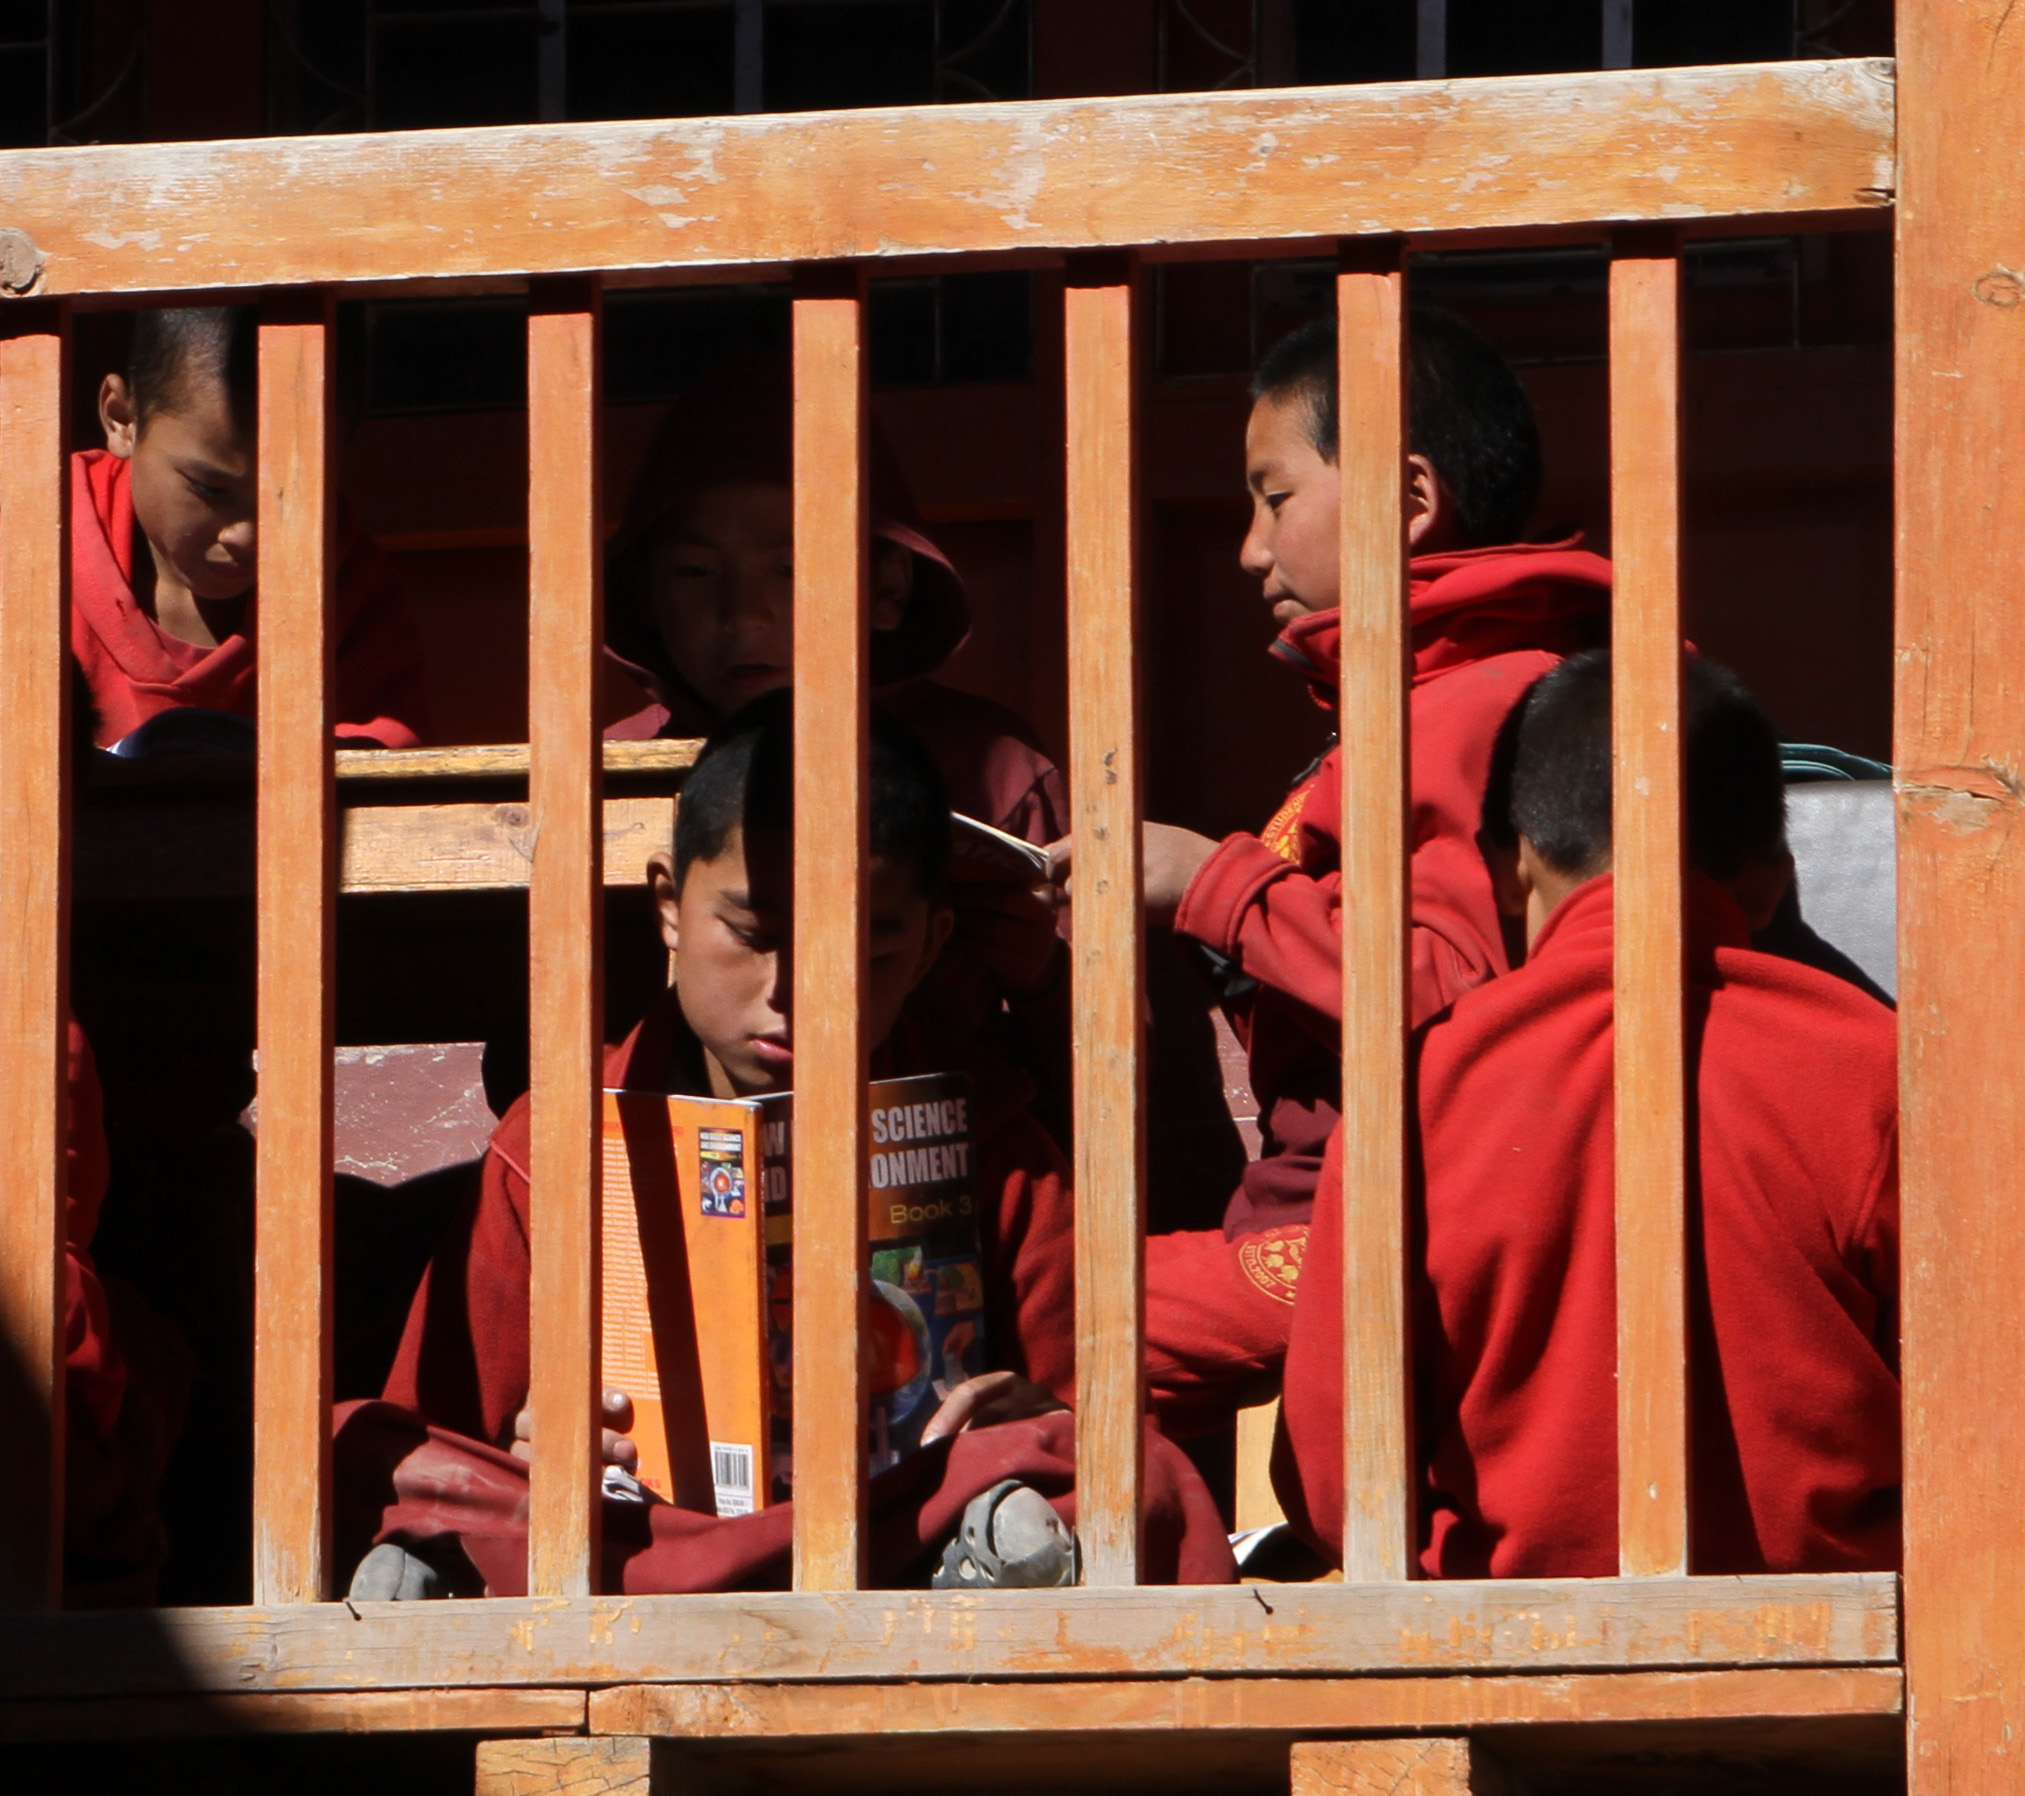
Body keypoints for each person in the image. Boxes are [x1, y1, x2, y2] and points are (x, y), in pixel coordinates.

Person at [338, 695, 1233, 1593]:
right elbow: (439, 1427)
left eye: (863, 950)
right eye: (754, 936)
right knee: (370, 1454)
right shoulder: (560, 1140)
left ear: (929, 947)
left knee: (1130, 1471)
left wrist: (1031, 1426)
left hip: (904, 1531)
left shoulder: (995, 1136)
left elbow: (1088, 1419)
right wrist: (534, 1442)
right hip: (632, 1536)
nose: (792, 992)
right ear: (669, 908)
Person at [1050, 310, 1613, 1430]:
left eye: (1275, 497)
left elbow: (1442, 984)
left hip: (1407, 1218)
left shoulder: (1470, 703)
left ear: (1410, 502)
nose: (1251, 549)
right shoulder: (1424, 696)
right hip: (1352, 1204)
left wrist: (1213, 881)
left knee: (1052, 1325)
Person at [1278, 651, 1901, 1576]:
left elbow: (1336, 1490)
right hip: (1852, 1675)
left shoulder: (1421, 1090)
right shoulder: (1878, 1068)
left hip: (1516, 1675)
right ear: (1770, 882)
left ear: (1511, 867)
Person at [604, 354, 1063, 848]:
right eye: (696, 571)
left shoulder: (992, 771)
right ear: (644, 592)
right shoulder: (610, 772)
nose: (743, 615)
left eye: (792, 569)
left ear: (886, 588)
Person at [72, 305, 431, 750]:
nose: (246, 535)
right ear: (122, 418)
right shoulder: (33, 543)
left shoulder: (349, 590)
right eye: (210, 487)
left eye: (293, 494)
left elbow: (384, 778)